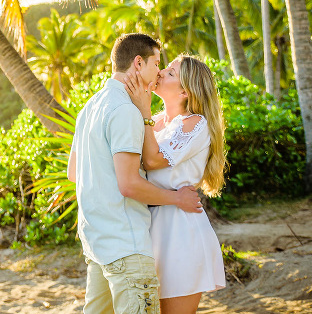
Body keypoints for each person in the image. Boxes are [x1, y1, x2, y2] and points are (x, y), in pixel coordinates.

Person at [67, 34, 203, 314]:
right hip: (127, 247)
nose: (158, 73)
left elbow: (73, 173)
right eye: (156, 63)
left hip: (97, 245)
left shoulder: (89, 107)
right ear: (138, 63)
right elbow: (129, 184)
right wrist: (177, 199)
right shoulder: (126, 110)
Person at [124, 54, 226, 314]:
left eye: (170, 73)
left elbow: (153, 160)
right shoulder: (156, 122)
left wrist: (143, 111)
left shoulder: (195, 124)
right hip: (149, 226)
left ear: (184, 91)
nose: (160, 73)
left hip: (180, 231)